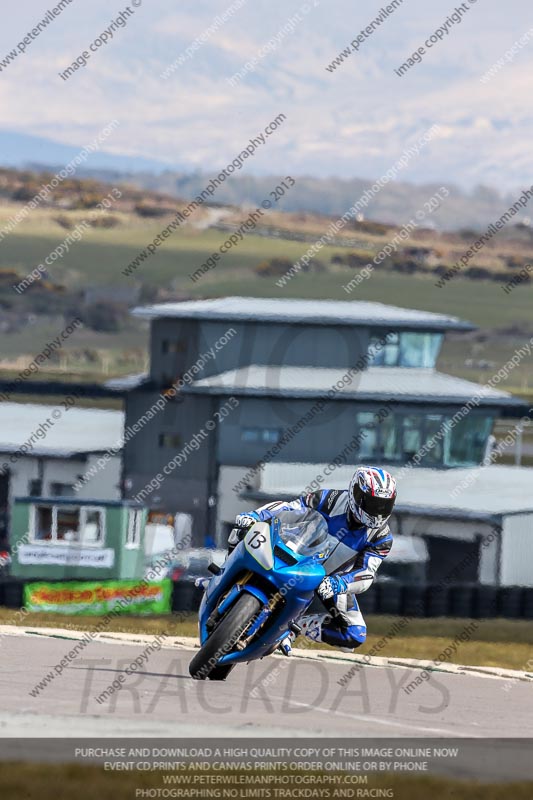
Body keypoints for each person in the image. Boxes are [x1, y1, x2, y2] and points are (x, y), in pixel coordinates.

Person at [227, 466, 397, 655]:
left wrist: (339, 584)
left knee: (354, 635)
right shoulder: (329, 499)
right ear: (356, 493)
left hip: (331, 578)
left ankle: (293, 627)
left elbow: (366, 574)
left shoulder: (382, 537)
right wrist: (255, 516)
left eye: (384, 505)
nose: (378, 512)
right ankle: (224, 572)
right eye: (373, 504)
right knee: (244, 529)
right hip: (297, 551)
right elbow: (291, 507)